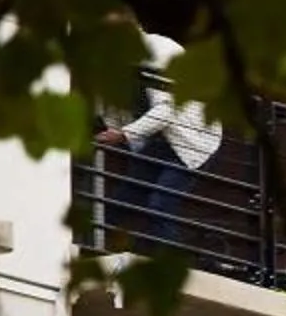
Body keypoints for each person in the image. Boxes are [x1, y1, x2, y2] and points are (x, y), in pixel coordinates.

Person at [94, 34, 225, 250]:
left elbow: (166, 110)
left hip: (192, 141)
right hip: (157, 142)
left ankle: (171, 265)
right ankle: (91, 248)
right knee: (120, 201)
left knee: (160, 205)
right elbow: (111, 114)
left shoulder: (160, 50)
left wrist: (124, 134)